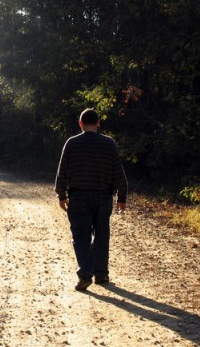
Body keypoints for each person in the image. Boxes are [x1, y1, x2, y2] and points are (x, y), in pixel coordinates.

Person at [54, 108, 128, 291]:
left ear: (80, 124)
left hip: (78, 196)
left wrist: (61, 195)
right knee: (102, 235)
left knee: (81, 236)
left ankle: (85, 274)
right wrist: (122, 197)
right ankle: (101, 274)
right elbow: (118, 172)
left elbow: (62, 171)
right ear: (98, 123)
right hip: (104, 197)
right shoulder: (109, 144)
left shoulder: (72, 143)